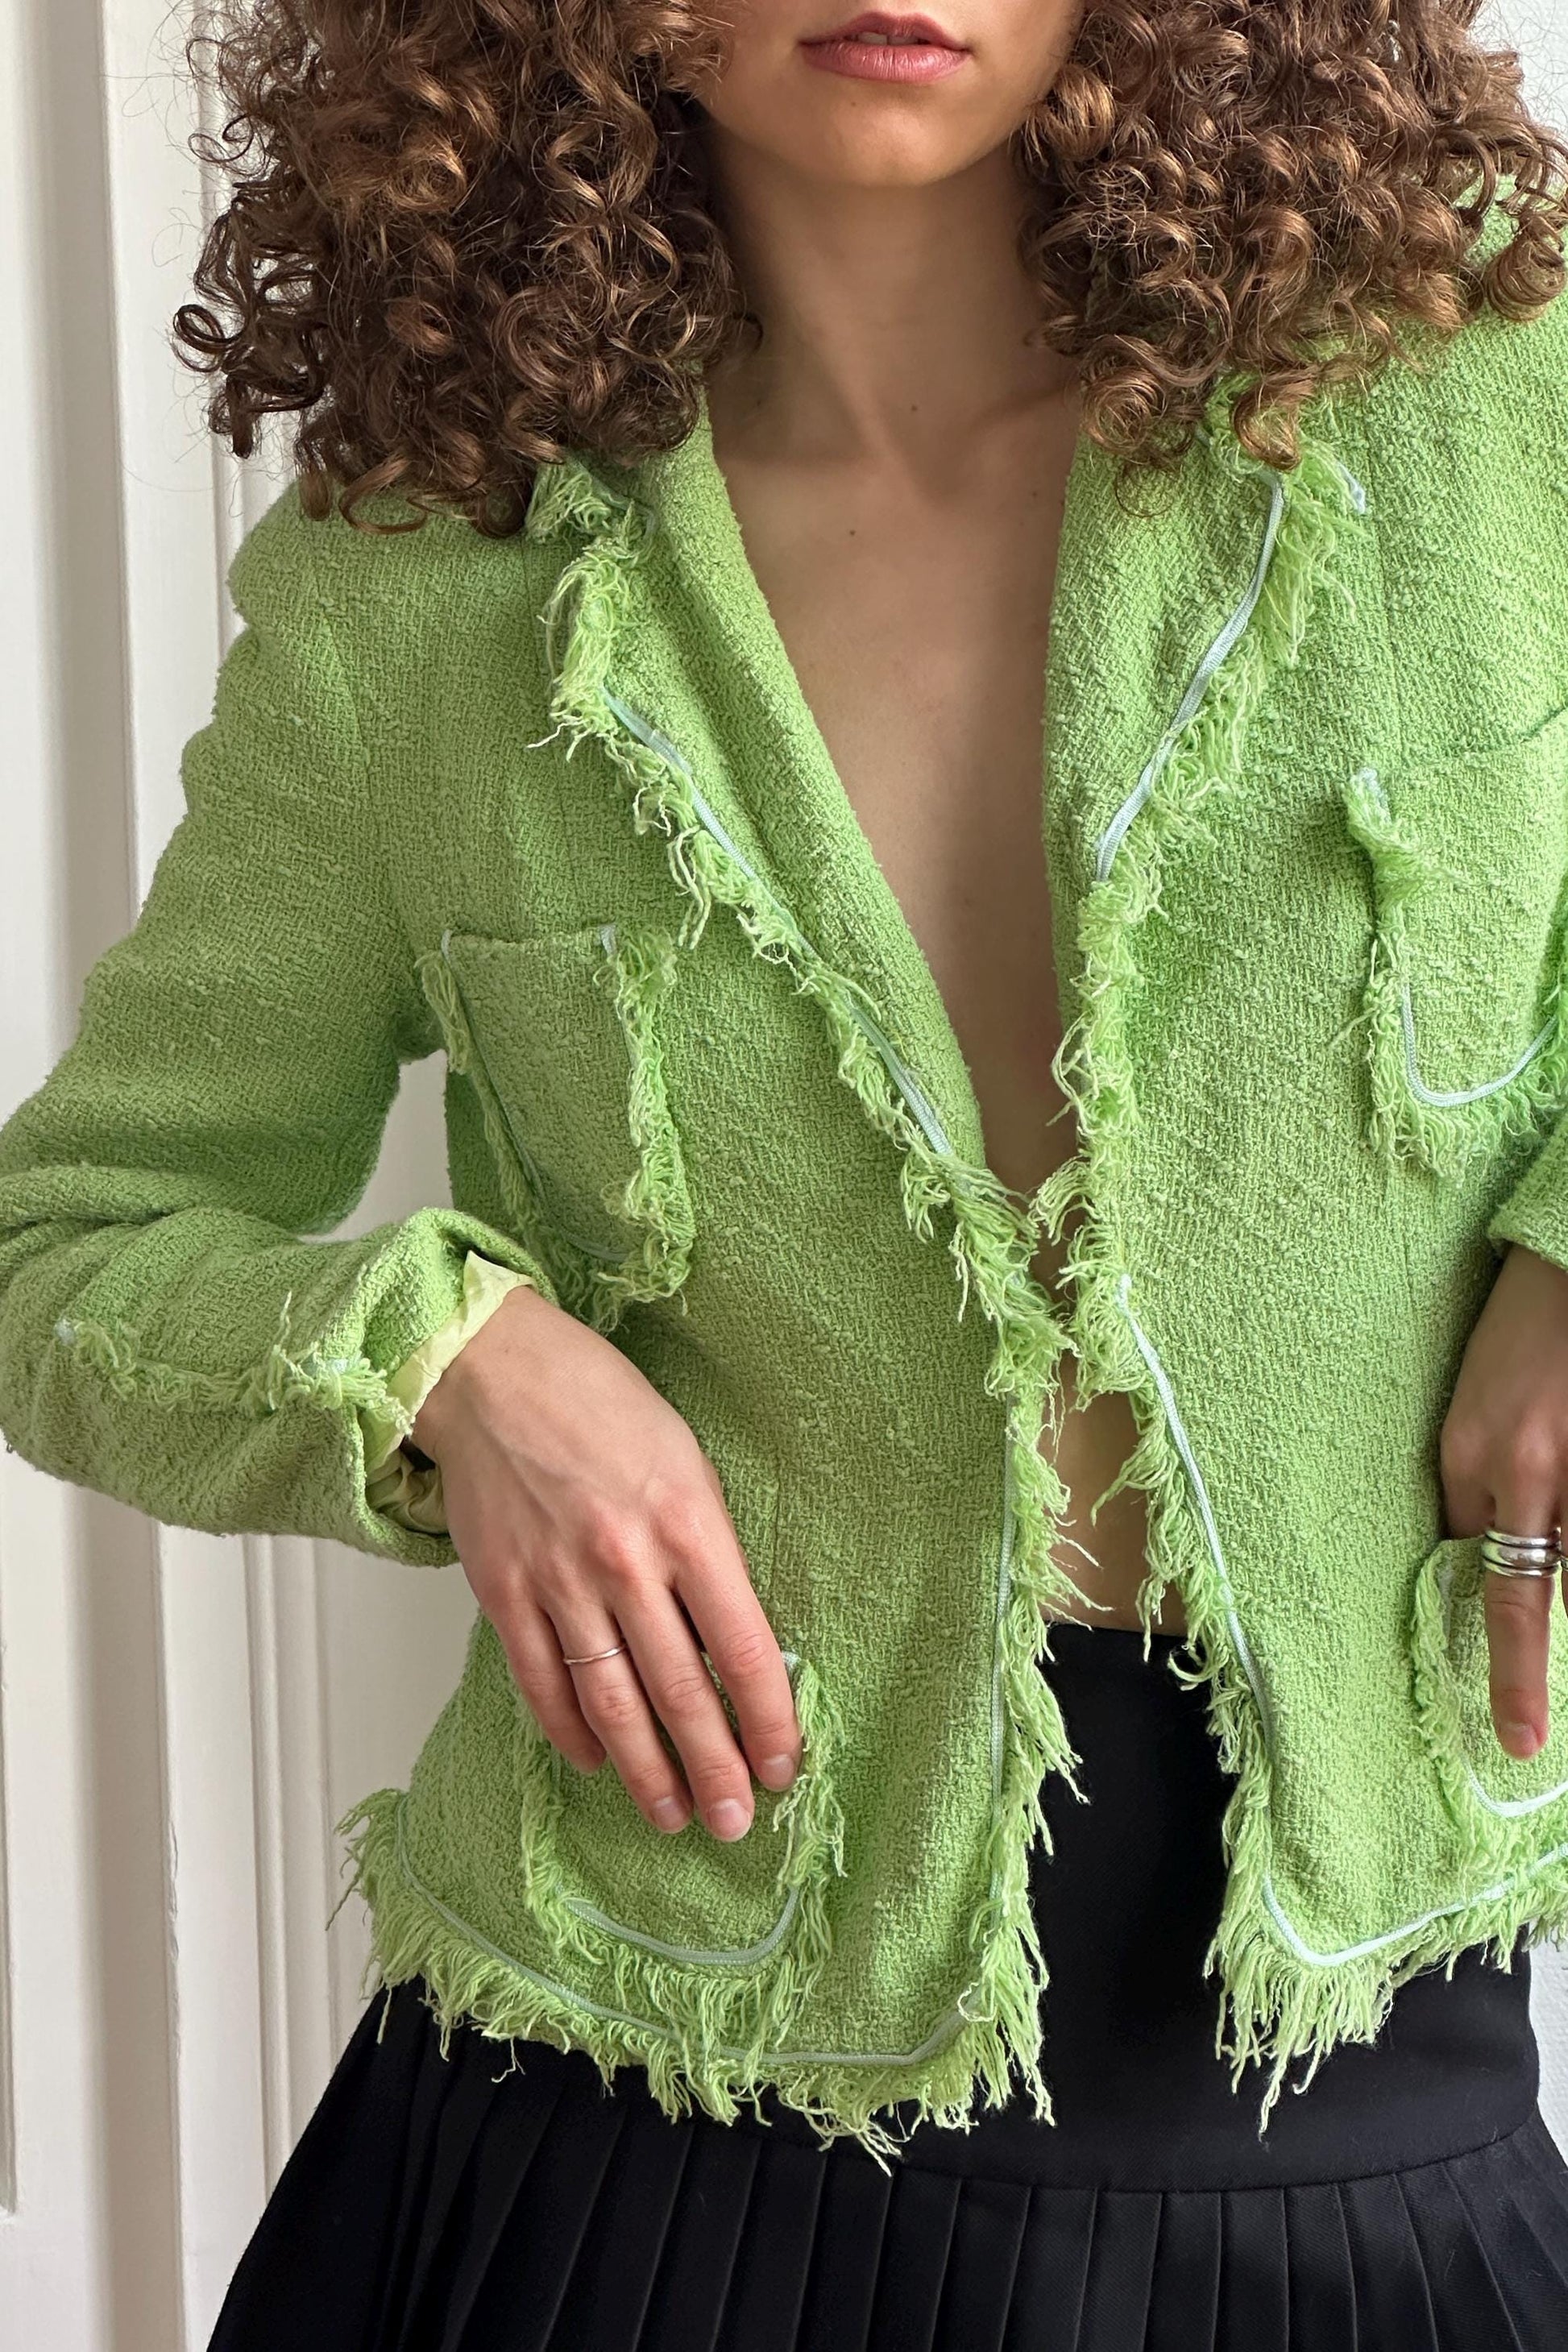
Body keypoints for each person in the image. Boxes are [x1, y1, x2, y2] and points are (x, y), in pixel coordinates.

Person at [4, 0, 1568, 2343]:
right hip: (622, 2154)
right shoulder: (423, 590)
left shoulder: (1470, 397)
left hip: (1346, 2122)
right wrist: (452, 1359)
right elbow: (68, 1253)